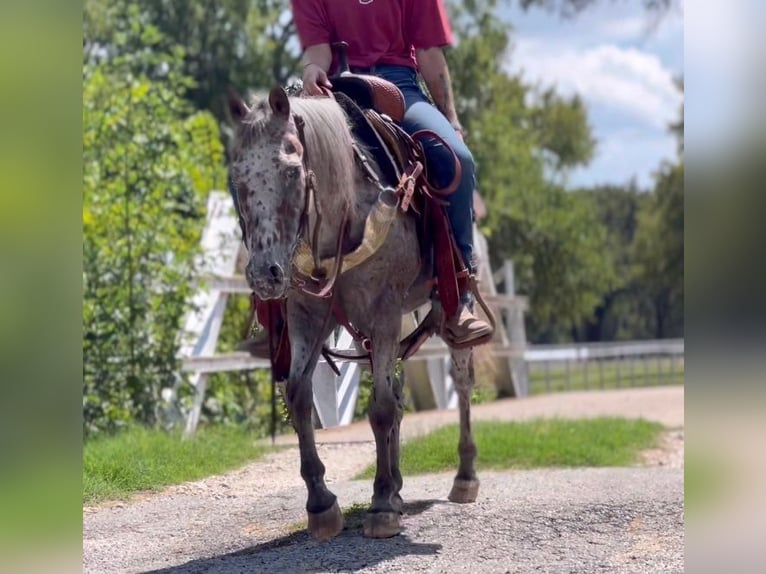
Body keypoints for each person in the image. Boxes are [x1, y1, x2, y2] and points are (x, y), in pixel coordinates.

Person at [291, 0, 492, 346]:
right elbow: (318, 49)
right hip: (336, 87)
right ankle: (278, 291)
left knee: (458, 159)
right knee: (267, 152)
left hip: (398, 87)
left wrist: (452, 121)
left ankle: (457, 297)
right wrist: (312, 70)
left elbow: (429, 54)